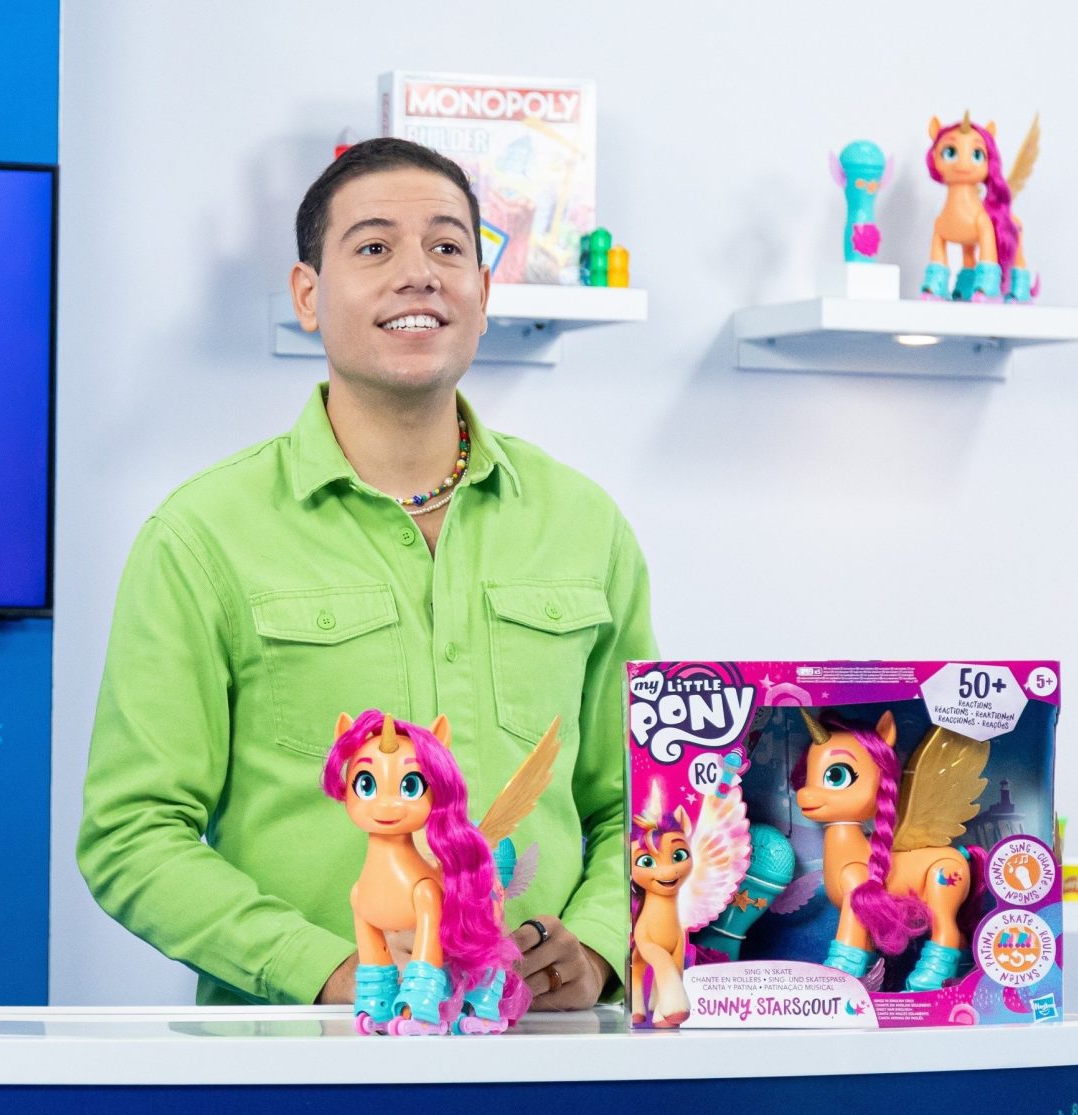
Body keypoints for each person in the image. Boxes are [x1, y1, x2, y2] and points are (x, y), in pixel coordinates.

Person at [78, 138, 653, 1014]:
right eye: (375, 247)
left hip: (547, 1055)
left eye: (448, 247)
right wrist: (328, 972)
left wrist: (605, 947)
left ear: (484, 293)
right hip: (300, 1063)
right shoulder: (202, 535)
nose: (418, 274)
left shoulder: (586, 526)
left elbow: (639, 800)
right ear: (308, 295)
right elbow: (131, 833)